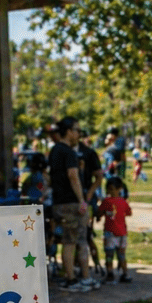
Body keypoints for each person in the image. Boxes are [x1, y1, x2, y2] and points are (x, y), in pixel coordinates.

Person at [48, 116, 97, 293]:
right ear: (68, 131)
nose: (78, 134)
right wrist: (81, 199)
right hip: (71, 204)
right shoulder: (68, 152)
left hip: (59, 202)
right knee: (72, 242)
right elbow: (73, 176)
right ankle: (72, 279)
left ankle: (83, 277)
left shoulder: (54, 151)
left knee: (76, 240)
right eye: (77, 130)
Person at [78, 130, 105, 277]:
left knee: (86, 236)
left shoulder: (88, 153)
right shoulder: (68, 151)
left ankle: (94, 266)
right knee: (84, 237)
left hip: (86, 200)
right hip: (79, 200)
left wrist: (88, 196)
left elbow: (99, 177)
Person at [100, 176, 132, 283]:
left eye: (112, 189)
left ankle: (111, 274)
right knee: (121, 255)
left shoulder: (107, 201)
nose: (110, 191)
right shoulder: (123, 201)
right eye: (108, 189)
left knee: (110, 255)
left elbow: (99, 212)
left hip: (111, 232)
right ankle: (124, 274)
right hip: (122, 232)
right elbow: (129, 213)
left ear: (119, 189)